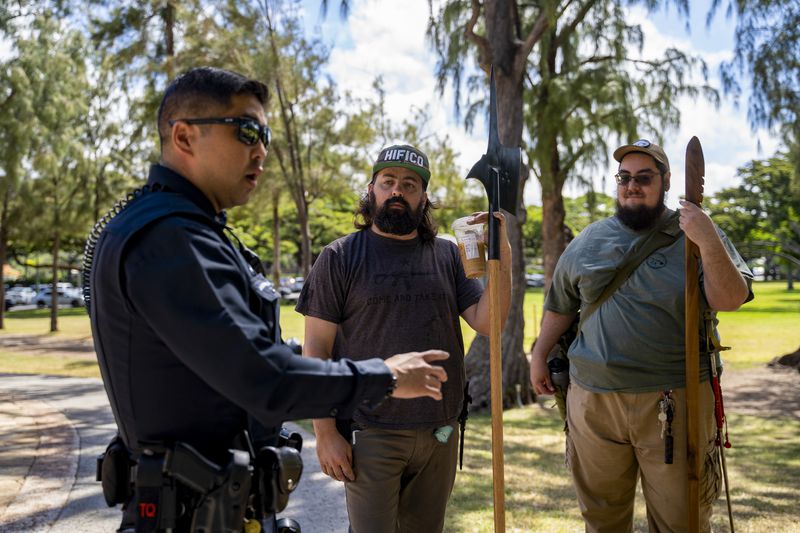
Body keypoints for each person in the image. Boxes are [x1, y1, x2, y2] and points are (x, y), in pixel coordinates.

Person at [86, 67, 451, 532]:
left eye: (265, 134)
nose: (260, 149)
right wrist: (385, 375)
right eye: (246, 131)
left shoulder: (190, 231)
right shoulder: (169, 238)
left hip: (219, 505)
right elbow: (265, 378)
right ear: (183, 136)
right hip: (187, 512)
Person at [530, 139, 753, 532]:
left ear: (666, 181)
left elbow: (731, 298)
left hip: (674, 400)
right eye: (624, 177)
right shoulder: (589, 239)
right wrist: (539, 354)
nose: (632, 185)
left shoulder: (699, 233)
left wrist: (706, 237)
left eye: (644, 177)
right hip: (593, 402)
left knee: (681, 520)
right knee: (601, 517)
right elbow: (561, 305)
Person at [295, 144, 512, 533]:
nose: (398, 190)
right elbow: (316, 351)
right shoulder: (339, 256)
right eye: (388, 181)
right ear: (372, 189)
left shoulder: (447, 254)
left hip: (441, 432)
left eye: (410, 184)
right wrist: (325, 433)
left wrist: (503, 256)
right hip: (371, 429)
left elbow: (487, 322)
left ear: (423, 196)